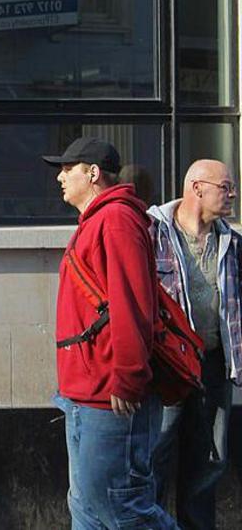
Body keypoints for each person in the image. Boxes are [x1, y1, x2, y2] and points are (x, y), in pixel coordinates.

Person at [43, 136, 177, 529]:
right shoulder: (97, 221)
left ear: (93, 173)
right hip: (84, 394)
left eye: (67, 169)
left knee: (122, 509)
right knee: (86, 509)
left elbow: (132, 303)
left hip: (110, 396)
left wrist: (129, 376)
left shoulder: (116, 219)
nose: (60, 178)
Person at [148, 159, 242, 529]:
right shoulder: (153, 233)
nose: (232, 194)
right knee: (155, 452)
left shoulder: (232, 243)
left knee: (209, 458)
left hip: (214, 363)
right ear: (197, 188)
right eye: (226, 187)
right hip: (168, 365)